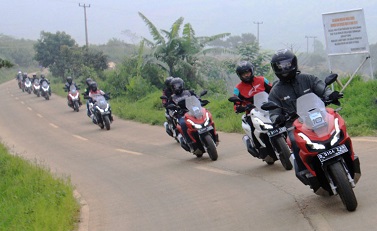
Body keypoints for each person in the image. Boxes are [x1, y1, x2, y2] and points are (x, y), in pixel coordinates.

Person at [267, 48, 343, 178]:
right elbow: (273, 111)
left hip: (318, 115)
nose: (284, 68)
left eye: (287, 64)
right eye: (280, 65)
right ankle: (304, 169)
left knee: (337, 126)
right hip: (295, 124)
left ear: (293, 63)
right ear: (275, 68)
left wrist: (331, 95)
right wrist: (277, 118)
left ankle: (345, 153)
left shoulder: (307, 78)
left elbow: (322, 89)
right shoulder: (276, 91)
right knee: (294, 140)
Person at [231, 60, 272, 156]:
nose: (246, 75)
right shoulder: (238, 88)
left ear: (252, 71)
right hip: (251, 112)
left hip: (268, 107)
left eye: (248, 72)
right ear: (239, 75)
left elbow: (273, 90)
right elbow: (236, 104)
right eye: (243, 73)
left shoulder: (262, 80)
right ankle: (259, 148)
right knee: (253, 128)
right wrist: (239, 107)